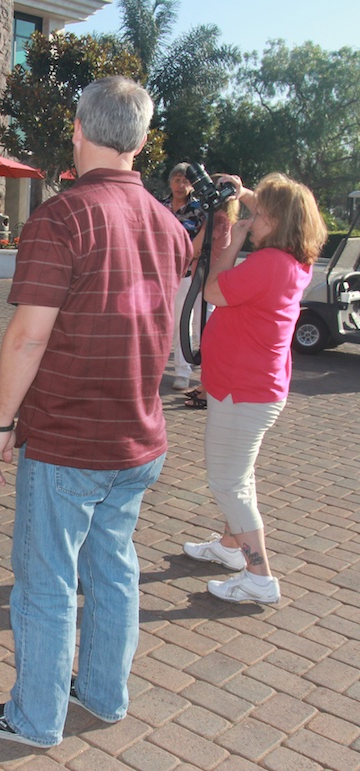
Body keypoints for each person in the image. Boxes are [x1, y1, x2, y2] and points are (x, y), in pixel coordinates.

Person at [0, 76, 191, 748]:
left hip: (68, 439)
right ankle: (102, 691)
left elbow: (30, 336)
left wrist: (2, 424)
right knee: (114, 568)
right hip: (138, 438)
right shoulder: (171, 226)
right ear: (143, 141)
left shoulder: (62, 217)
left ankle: (35, 716)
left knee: (46, 582)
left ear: (78, 130)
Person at [182, 173, 327, 604]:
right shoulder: (295, 262)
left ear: (277, 222)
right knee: (239, 478)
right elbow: (269, 208)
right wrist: (244, 193)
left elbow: (211, 289)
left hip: (243, 391)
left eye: (260, 214)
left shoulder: (267, 264)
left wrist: (234, 240)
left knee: (227, 482)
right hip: (255, 388)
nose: (252, 216)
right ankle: (230, 547)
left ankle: (259, 577)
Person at [181, 175, 240, 409]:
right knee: (204, 333)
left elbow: (193, 249)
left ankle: (209, 388)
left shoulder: (218, 219)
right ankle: (206, 385)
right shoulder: (222, 219)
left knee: (206, 335)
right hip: (206, 281)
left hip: (207, 282)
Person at [163, 162, 207, 391]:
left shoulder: (200, 211)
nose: (181, 185)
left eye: (186, 181)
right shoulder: (159, 206)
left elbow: (202, 245)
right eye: (177, 180)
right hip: (159, 275)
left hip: (185, 275)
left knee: (183, 323)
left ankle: (182, 372)